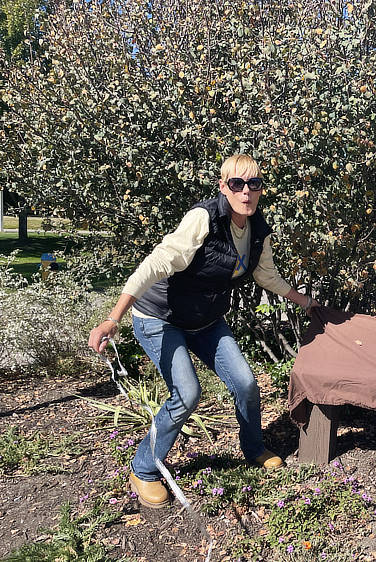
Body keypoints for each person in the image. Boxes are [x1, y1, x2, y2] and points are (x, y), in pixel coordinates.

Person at [88, 154, 318, 508]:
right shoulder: (204, 218)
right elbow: (159, 261)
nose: (246, 192)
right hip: (158, 317)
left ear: (260, 189)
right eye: (237, 184)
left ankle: (253, 447)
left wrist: (308, 304)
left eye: (253, 184)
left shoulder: (257, 229)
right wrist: (114, 317)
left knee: (245, 382)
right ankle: (143, 469)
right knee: (187, 392)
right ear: (223, 187)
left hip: (205, 321)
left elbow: (266, 275)